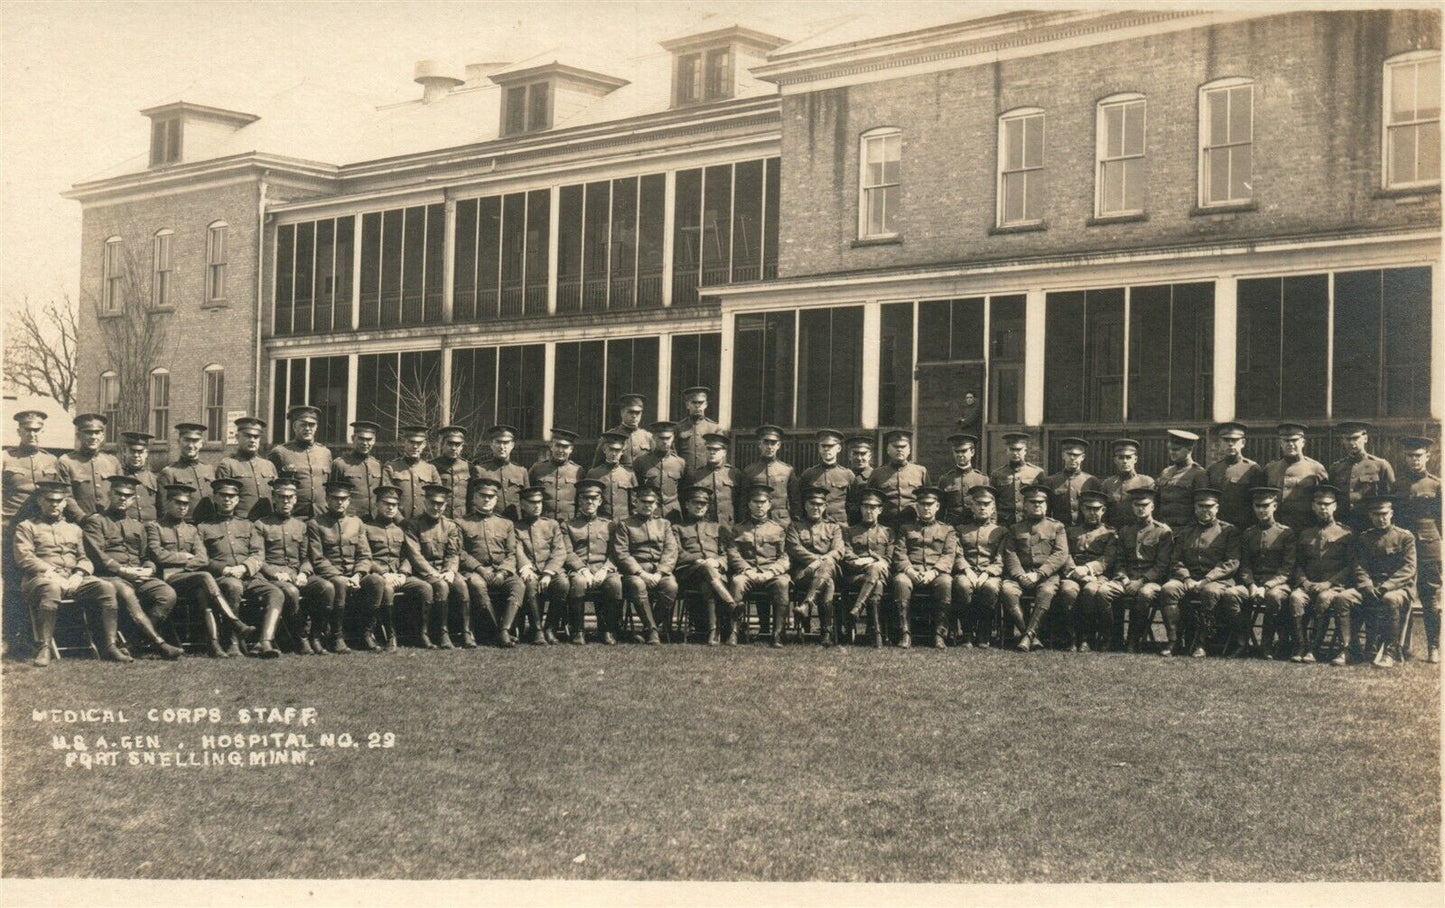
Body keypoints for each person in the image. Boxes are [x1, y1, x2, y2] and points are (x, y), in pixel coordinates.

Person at [15, 480, 129, 666]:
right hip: (40, 579)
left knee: (106, 588)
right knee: (51, 588)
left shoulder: (74, 529)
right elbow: (24, 557)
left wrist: (78, 574)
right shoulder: (26, 527)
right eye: (49, 500)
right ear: (39, 502)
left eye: (59, 500)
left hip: (72, 579)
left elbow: (85, 558)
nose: (54, 504)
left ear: (65, 503)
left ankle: (110, 645)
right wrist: (51, 573)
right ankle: (44, 647)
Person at [82, 475, 185, 659]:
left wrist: (148, 569)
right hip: (109, 576)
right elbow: (97, 557)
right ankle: (158, 643)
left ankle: (132, 642)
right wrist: (123, 571)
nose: (123, 498)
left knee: (167, 594)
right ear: (110, 494)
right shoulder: (96, 522)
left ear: (133, 499)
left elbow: (147, 557)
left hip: (138, 576)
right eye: (119, 494)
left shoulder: (137, 525)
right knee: (127, 593)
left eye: (128, 496)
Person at [147, 482, 249, 658]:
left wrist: (185, 564)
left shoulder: (192, 529)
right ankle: (234, 621)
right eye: (178, 503)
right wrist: (184, 557)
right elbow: (157, 554)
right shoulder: (155, 526)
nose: (182, 508)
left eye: (185, 504)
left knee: (204, 595)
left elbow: (202, 558)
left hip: (190, 578)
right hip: (167, 578)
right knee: (205, 575)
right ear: (167, 503)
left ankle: (214, 645)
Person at [1157, 488, 1241, 658]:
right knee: (1169, 589)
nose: (1205, 510)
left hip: (1218, 580)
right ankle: (1173, 640)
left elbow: (1232, 562)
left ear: (1217, 508)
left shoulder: (1228, 531)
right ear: (1195, 508)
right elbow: (1176, 560)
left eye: (1209, 506)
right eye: (1201, 506)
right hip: (1188, 578)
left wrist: (1207, 579)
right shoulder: (1186, 532)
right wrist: (1186, 577)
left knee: (1210, 592)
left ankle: (1201, 643)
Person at [195, 477, 275, 657]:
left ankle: (264, 642)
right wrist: (225, 569)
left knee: (275, 592)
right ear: (215, 498)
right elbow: (202, 559)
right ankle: (232, 642)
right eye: (223, 495)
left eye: (232, 496)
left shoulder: (248, 525)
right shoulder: (203, 527)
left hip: (249, 576)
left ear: (238, 500)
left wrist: (245, 568)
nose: (227, 499)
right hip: (223, 578)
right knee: (233, 586)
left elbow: (258, 554)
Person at [305, 479, 384, 654]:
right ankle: (336, 636)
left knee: (376, 581)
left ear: (349, 501)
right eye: (335, 498)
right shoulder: (316, 524)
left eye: (344, 499)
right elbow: (318, 559)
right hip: (329, 575)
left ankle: (366, 634)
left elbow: (365, 555)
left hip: (354, 575)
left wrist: (357, 575)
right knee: (339, 584)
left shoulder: (357, 523)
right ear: (327, 499)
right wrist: (340, 576)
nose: (339, 502)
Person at [1292, 485, 1360, 665]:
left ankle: (1314, 648)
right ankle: (1301, 645)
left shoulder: (1346, 533)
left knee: (1323, 598)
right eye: (1319, 504)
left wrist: (1329, 583)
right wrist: (1304, 581)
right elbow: (1298, 564)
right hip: (1308, 585)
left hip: (1334, 587)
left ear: (1335, 506)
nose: (1323, 508)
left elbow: (1351, 566)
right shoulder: (1306, 533)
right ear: (1313, 506)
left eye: (1327, 504)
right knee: (1296, 598)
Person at [455, 477, 527, 648]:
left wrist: (503, 571)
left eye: (491, 497)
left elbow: (511, 553)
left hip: (501, 571)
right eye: (482, 496)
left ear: (496, 499)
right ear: (474, 498)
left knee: (518, 585)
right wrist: (480, 569)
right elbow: (460, 552)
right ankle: (499, 632)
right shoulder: (462, 522)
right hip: (474, 571)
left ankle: (504, 629)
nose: (487, 500)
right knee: (477, 585)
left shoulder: (506, 523)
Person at [1000, 484, 1069, 652]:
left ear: (1046, 505)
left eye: (1041, 502)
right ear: (1024, 505)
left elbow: (1060, 554)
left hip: (1046, 576)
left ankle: (1027, 636)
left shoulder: (1057, 527)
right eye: (1032, 502)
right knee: (1008, 590)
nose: (1037, 505)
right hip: (1020, 575)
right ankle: (1031, 635)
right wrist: (1020, 575)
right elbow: (1010, 553)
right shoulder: (1015, 528)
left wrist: (1039, 574)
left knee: (1046, 592)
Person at [1231, 486, 1297, 660]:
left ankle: (1266, 644)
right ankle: (1242, 642)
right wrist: (1252, 585)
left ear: (1274, 506)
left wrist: (1266, 586)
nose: (1261, 510)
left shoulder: (1286, 533)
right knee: (1232, 594)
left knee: (1273, 597)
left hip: (1277, 585)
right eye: (1257, 506)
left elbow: (1287, 569)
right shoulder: (1248, 534)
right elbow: (1244, 566)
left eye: (1266, 505)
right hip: (1252, 584)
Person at [364, 483, 432, 651]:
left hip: (399, 575)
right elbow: (365, 557)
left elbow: (408, 555)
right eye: (386, 504)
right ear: (377, 504)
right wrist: (383, 574)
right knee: (386, 589)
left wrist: (403, 573)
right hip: (378, 576)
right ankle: (390, 635)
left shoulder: (402, 529)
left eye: (394, 505)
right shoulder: (366, 528)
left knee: (425, 588)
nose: (390, 508)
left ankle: (422, 633)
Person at [1351, 495, 1416, 669]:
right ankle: (1352, 648)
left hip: (1398, 588)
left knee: (1390, 599)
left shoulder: (1405, 537)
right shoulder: (1365, 538)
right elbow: (1359, 566)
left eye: (1384, 514)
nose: (1381, 518)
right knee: (1344, 597)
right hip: (1372, 586)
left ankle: (1390, 651)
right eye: (1376, 514)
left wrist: (1387, 586)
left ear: (1391, 513)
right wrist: (1366, 585)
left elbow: (1408, 569)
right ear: (1370, 516)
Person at [252, 472, 312, 657]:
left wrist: (304, 573)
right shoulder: (261, 525)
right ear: (274, 499)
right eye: (281, 497)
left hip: (295, 575)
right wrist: (275, 574)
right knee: (291, 592)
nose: (285, 501)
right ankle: (299, 637)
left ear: (295, 500)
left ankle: (316, 635)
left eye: (289, 498)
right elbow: (258, 559)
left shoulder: (301, 526)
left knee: (325, 588)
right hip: (272, 577)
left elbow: (307, 558)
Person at [891, 485, 956, 649]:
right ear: (917, 506)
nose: (926, 508)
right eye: (922, 504)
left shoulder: (947, 529)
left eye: (930, 504)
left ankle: (939, 634)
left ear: (937, 506)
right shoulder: (906, 529)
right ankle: (905, 633)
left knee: (946, 582)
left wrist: (934, 572)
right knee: (900, 581)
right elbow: (900, 553)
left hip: (936, 572)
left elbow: (949, 555)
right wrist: (910, 571)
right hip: (911, 571)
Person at [727, 483, 791, 647]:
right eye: (755, 502)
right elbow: (733, 553)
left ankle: (778, 634)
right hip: (748, 574)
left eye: (763, 502)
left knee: (783, 583)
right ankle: (733, 631)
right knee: (736, 582)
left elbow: (785, 557)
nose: (759, 506)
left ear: (769, 504)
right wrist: (747, 570)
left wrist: (771, 572)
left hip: (771, 574)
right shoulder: (739, 529)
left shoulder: (779, 529)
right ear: (749, 504)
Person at [1055, 489, 1119, 652]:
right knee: (1068, 591)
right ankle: (1071, 637)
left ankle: (1086, 638)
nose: (1092, 513)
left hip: (1098, 576)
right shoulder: (1070, 531)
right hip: (1073, 573)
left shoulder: (1110, 533)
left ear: (1103, 510)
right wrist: (1073, 571)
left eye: (1096, 509)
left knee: (1090, 591)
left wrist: (1088, 569)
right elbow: (1065, 553)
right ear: (1082, 509)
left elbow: (1108, 558)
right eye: (1088, 509)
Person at [562, 478, 623, 645]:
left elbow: (616, 552)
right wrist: (582, 569)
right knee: (579, 582)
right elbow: (567, 552)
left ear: (600, 501)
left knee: (615, 583)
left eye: (594, 498)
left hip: (603, 569)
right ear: (579, 500)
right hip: (579, 570)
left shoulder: (610, 525)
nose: (589, 502)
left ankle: (607, 630)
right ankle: (578, 631)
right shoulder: (568, 525)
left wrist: (606, 569)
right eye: (585, 498)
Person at [1395, 436, 1440, 662]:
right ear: (1405, 458)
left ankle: (1433, 647)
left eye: (1419, 456)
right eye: (1410, 456)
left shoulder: (1437, 485)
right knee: (1402, 596)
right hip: (1402, 549)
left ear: (1427, 457)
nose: (1415, 460)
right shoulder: (1399, 485)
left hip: (1428, 549)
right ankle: (1403, 645)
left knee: (1430, 598)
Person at [673, 484, 736, 645]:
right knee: (706, 569)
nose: (700, 507)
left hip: (713, 573)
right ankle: (731, 604)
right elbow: (677, 552)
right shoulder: (677, 528)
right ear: (687, 505)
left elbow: (725, 554)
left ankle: (713, 633)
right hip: (688, 572)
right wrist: (697, 560)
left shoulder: (717, 527)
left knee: (708, 584)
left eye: (703, 504)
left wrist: (717, 563)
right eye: (695, 503)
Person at [611, 484, 674, 645]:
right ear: (635, 503)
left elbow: (670, 551)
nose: (647, 505)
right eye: (643, 502)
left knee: (671, 586)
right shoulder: (625, 524)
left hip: (659, 572)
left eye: (651, 502)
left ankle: (647, 628)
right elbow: (622, 553)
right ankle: (652, 631)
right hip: (635, 573)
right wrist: (641, 573)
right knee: (638, 585)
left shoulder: (664, 524)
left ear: (656, 505)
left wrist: (660, 573)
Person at [405, 483, 466, 649]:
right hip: (423, 572)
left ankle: (467, 631)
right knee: (440, 586)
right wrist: (433, 573)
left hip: (445, 569)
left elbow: (453, 553)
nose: (436, 507)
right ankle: (441, 633)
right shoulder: (414, 524)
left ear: (446, 505)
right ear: (425, 503)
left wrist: (451, 571)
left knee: (461, 584)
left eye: (440, 504)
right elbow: (414, 555)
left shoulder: (451, 526)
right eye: (432, 503)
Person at [1113, 488, 1172, 653]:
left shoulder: (1163, 532)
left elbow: (1162, 565)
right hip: (1127, 579)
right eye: (1137, 505)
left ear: (1152, 506)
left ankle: (1134, 639)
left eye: (1145, 505)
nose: (1141, 508)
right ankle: (1112, 638)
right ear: (1132, 507)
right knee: (1104, 592)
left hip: (1152, 581)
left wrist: (1141, 581)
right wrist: (1123, 578)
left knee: (1144, 594)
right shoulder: (1125, 531)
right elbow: (1119, 561)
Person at [787, 486, 845, 646]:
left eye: (819, 504)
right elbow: (794, 548)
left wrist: (823, 562)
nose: (815, 507)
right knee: (828, 583)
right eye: (812, 503)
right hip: (803, 573)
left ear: (825, 506)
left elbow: (838, 550)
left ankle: (807, 604)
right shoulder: (795, 526)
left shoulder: (833, 527)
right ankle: (826, 632)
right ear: (805, 506)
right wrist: (818, 561)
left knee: (828, 567)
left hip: (831, 570)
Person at [952, 485, 1007, 649]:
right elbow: (957, 554)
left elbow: (1001, 558)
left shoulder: (1001, 531)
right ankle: (967, 633)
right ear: (972, 506)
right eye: (978, 504)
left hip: (990, 574)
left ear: (993, 508)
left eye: (987, 504)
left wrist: (986, 573)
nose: (982, 508)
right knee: (962, 585)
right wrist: (967, 570)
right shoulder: (961, 530)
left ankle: (984, 633)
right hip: (966, 572)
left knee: (990, 588)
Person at [515, 485, 567, 645]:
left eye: (539, 502)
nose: (537, 506)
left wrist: (548, 573)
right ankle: (536, 629)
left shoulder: (552, 525)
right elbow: (516, 550)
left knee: (563, 584)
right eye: (532, 502)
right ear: (522, 505)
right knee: (530, 584)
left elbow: (559, 551)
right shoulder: (515, 527)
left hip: (550, 570)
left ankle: (550, 628)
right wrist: (525, 567)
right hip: (529, 570)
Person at [843, 487, 893, 647]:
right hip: (856, 577)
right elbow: (848, 555)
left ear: (880, 510)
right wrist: (868, 561)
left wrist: (873, 562)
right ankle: (876, 633)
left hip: (882, 573)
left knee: (876, 571)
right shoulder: (850, 531)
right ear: (860, 508)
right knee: (875, 581)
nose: (869, 511)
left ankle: (857, 608)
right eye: (865, 507)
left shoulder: (888, 532)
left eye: (873, 507)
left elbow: (890, 558)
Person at [1329, 422, 1396, 531]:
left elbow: (1391, 497)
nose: (1351, 443)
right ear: (1342, 441)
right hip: (1342, 523)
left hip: (1370, 524)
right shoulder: (1336, 468)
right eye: (1347, 439)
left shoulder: (1380, 465)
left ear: (1365, 438)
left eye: (1355, 438)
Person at [267, 406, 332, 519]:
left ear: (316, 427)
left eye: (311, 425)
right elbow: (270, 487)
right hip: (293, 517)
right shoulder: (280, 452)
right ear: (294, 427)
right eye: (303, 424)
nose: (308, 428)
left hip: (321, 517)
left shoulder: (325, 453)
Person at [1265, 423, 1328, 533]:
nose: (1290, 444)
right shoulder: (1270, 469)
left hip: (1305, 529)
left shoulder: (1316, 468)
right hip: (1277, 530)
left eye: (1294, 440)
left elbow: (1325, 500)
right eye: (1286, 441)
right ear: (1280, 443)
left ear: (1303, 442)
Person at [57, 413, 122, 521]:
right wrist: (82, 518)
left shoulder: (112, 462)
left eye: (97, 432)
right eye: (88, 432)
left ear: (102, 436)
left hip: (110, 522)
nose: (93, 437)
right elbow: (66, 495)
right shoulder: (66, 461)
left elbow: (120, 492)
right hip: (80, 523)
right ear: (79, 436)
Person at [1206, 422, 1265, 530]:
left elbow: (1258, 501)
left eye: (1234, 440)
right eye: (1226, 440)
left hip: (1243, 528)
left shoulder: (1252, 469)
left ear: (1243, 442)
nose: (1230, 444)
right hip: (1217, 529)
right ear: (1220, 443)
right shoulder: (1213, 470)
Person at [216, 417, 278, 520]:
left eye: (256, 437)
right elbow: (222, 500)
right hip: (241, 522)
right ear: (237, 437)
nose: (252, 440)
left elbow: (276, 495)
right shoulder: (228, 465)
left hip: (267, 523)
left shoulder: (268, 465)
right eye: (247, 436)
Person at [870, 429, 929, 527]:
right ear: (888, 450)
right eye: (896, 447)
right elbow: (870, 499)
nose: (899, 450)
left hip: (913, 524)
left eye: (903, 447)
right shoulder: (877, 473)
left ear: (909, 450)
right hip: (886, 525)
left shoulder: (920, 471)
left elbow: (928, 498)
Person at [743, 424, 799, 526]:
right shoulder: (749, 470)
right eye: (766, 442)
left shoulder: (787, 470)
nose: (769, 447)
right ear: (760, 444)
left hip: (782, 523)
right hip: (756, 523)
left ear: (778, 445)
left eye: (773, 443)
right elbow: (743, 501)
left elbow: (795, 501)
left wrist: (796, 524)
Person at [799, 428, 859, 526]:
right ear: (819, 448)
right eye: (823, 446)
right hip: (815, 526)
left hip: (840, 525)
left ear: (838, 448)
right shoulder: (809, 474)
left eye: (830, 446)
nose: (826, 449)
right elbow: (801, 502)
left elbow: (853, 504)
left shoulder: (847, 475)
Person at [383, 425, 442, 521]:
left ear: (424, 444)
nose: (415, 446)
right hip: (399, 524)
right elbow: (387, 497)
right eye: (411, 442)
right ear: (404, 443)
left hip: (424, 524)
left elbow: (438, 498)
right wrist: (400, 520)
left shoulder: (431, 469)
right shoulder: (391, 467)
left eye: (419, 443)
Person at [633, 421, 688, 522]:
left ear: (673, 438)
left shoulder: (680, 462)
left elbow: (683, 490)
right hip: (650, 512)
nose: (665, 441)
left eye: (668, 438)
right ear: (654, 438)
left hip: (673, 513)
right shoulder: (641, 461)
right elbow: (636, 488)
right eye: (661, 438)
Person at [472, 424, 529, 520]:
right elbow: (473, 502)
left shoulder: (521, 471)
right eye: (498, 442)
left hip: (515, 524)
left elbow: (527, 502)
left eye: (506, 443)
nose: (502, 447)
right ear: (491, 444)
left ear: (512, 445)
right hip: (489, 524)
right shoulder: (480, 470)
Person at [988, 431, 1044, 529]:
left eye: (1019, 449)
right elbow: (992, 502)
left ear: (1025, 451)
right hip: (1005, 524)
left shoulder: (1037, 473)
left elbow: (1043, 501)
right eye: (1012, 449)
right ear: (1007, 451)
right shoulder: (997, 474)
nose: (1015, 453)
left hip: (1029, 523)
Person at [329, 420, 383, 520]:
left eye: (369, 439)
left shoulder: (377, 465)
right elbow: (332, 494)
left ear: (374, 440)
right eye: (361, 439)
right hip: (350, 520)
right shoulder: (340, 464)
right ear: (353, 438)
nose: (365, 443)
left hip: (374, 520)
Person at [1156, 429, 1209, 530]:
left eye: (1176, 449)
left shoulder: (1199, 474)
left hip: (1185, 530)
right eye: (1170, 449)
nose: (1172, 452)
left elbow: (1201, 505)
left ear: (1189, 450)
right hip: (1163, 528)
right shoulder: (1166, 472)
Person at [1043, 436, 1101, 527]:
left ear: (1083, 457)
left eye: (1076, 455)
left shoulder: (1092, 481)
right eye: (1069, 454)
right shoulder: (1051, 481)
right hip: (1060, 530)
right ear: (1063, 456)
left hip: (1083, 532)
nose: (1072, 458)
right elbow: (1046, 512)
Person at [688, 432, 742, 527]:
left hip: (728, 525)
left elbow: (741, 502)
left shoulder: (734, 474)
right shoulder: (696, 475)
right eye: (709, 449)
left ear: (724, 453)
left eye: (716, 449)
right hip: (705, 526)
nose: (712, 452)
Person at [1100, 438, 1155, 530]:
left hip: (1138, 533)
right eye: (1121, 457)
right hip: (1113, 533)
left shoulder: (1147, 482)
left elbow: (1154, 511)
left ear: (1135, 459)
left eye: (1128, 457)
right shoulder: (1107, 484)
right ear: (1115, 460)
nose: (1125, 461)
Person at [529, 428, 582, 522]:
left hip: (569, 523)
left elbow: (581, 500)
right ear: (551, 446)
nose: (560, 450)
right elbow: (528, 495)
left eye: (565, 447)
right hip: (543, 522)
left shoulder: (578, 471)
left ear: (571, 449)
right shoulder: (537, 469)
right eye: (557, 445)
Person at [937, 433, 988, 524]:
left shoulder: (982, 479)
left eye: (964, 451)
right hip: (952, 528)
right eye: (956, 451)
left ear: (972, 452)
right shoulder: (945, 480)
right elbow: (939, 511)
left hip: (975, 528)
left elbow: (990, 509)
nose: (960, 455)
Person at [593, 392, 652, 468]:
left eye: (637, 413)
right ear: (622, 412)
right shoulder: (609, 436)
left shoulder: (648, 437)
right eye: (630, 412)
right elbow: (597, 467)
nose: (634, 416)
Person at [587, 430, 636, 521]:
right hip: (601, 523)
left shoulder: (629, 474)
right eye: (611, 449)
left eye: (617, 450)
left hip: (623, 523)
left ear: (622, 452)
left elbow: (634, 504)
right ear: (604, 450)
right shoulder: (593, 473)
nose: (614, 454)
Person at [674, 386, 722, 476]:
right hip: (684, 475)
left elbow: (721, 455)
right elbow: (673, 453)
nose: (697, 406)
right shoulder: (678, 428)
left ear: (706, 404)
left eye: (700, 402)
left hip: (706, 475)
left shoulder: (714, 428)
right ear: (687, 405)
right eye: (694, 402)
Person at [430, 425, 473, 519]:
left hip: (462, 519)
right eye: (450, 444)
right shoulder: (431, 466)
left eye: (457, 444)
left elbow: (472, 499)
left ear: (462, 447)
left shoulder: (469, 467)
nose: (454, 448)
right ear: (442, 445)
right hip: (439, 519)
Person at [117, 431, 160, 523]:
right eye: (132, 451)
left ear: (146, 454)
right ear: (125, 452)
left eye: (140, 452)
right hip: (126, 528)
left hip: (150, 528)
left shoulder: (154, 479)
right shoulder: (118, 476)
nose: (136, 455)